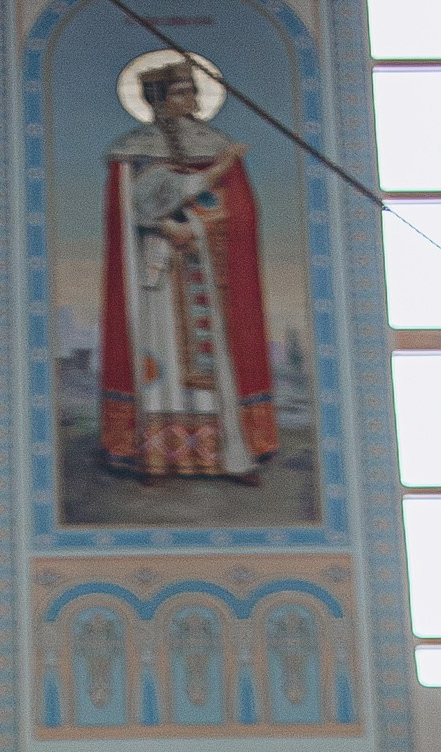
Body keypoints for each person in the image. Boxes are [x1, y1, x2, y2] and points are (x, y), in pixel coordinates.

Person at [99, 56, 276, 484]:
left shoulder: (214, 140)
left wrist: (206, 224)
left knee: (217, 358)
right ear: (159, 99)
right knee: (161, 359)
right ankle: (158, 457)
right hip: (160, 271)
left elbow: (237, 209)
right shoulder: (134, 146)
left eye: (194, 90)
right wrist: (169, 223)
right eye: (183, 91)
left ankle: (229, 454)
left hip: (209, 271)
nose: (193, 98)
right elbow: (135, 206)